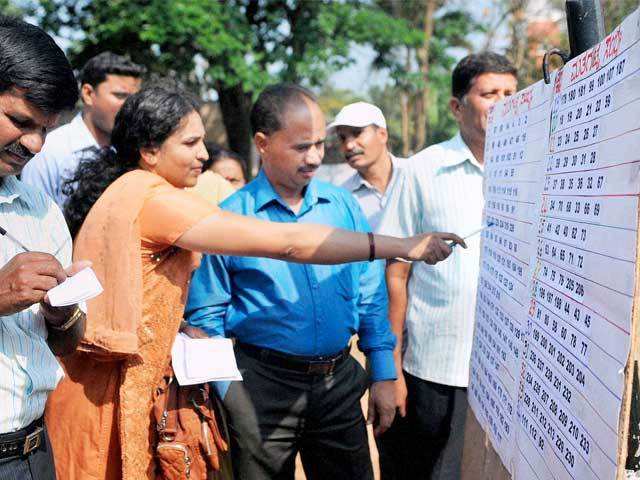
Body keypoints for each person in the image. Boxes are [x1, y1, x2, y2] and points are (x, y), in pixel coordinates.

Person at [45, 84, 465, 480]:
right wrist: (404, 245)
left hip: (323, 381)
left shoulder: (134, 190)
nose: (204, 154)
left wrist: (381, 367)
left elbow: (367, 292)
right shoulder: (159, 200)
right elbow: (290, 244)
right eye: (190, 143)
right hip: (121, 393)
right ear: (150, 150)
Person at [184, 84, 446, 480]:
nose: (315, 158)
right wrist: (230, 396)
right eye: (302, 147)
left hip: (338, 386)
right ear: (263, 143)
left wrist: (382, 371)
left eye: (320, 145)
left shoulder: (341, 206)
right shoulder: (230, 219)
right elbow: (206, 317)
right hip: (261, 387)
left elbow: (370, 294)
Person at [376, 52, 518, 479]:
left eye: (511, 93)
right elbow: (395, 273)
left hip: (509, 373)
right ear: (457, 106)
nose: (502, 103)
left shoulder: (536, 170)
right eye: (489, 94)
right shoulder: (422, 170)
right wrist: (390, 370)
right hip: (435, 369)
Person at [0, 15, 90, 480]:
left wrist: (63, 314)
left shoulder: (39, 207)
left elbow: (67, 342)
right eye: (19, 121)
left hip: (34, 451)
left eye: (47, 130)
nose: (34, 143)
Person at [21, 52, 144, 207]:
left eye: (135, 99)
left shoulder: (136, 152)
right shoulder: (50, 152)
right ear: (88, 93)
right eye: (120, 95)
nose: (130, 106)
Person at [330, 102, 404, 232]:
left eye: (357, 133)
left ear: (382, 135)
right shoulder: (342, 197)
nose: (349, 145)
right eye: (342, 138)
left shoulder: (414, 174)